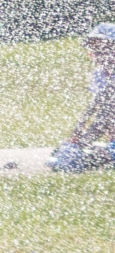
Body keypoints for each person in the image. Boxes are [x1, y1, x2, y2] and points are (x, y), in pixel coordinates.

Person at [47, 22, 115, 173]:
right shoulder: (101, 74)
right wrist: (74, 138)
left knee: (82, 161)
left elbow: (105, 117)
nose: (97, 52)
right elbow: (94, 107)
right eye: (94, 48)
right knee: (72, 157)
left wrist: (82, 142)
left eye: (104, 47)